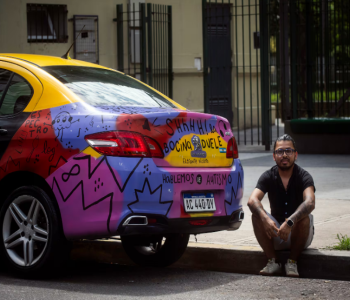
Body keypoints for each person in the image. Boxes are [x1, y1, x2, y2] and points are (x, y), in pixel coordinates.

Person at [247, 134, 315, 278]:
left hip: (300, 235)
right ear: (274, 156)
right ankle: (273, 262)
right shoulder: (268, 176)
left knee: (304, 216)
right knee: (257, 214)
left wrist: (290, 222)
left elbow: (310, 202)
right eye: (279, 151)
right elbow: (252, 200)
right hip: (276, 232)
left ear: (295, 155)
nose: (284, 155)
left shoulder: (304, 176)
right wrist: (265, 219)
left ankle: (292, 262)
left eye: (288, 151)